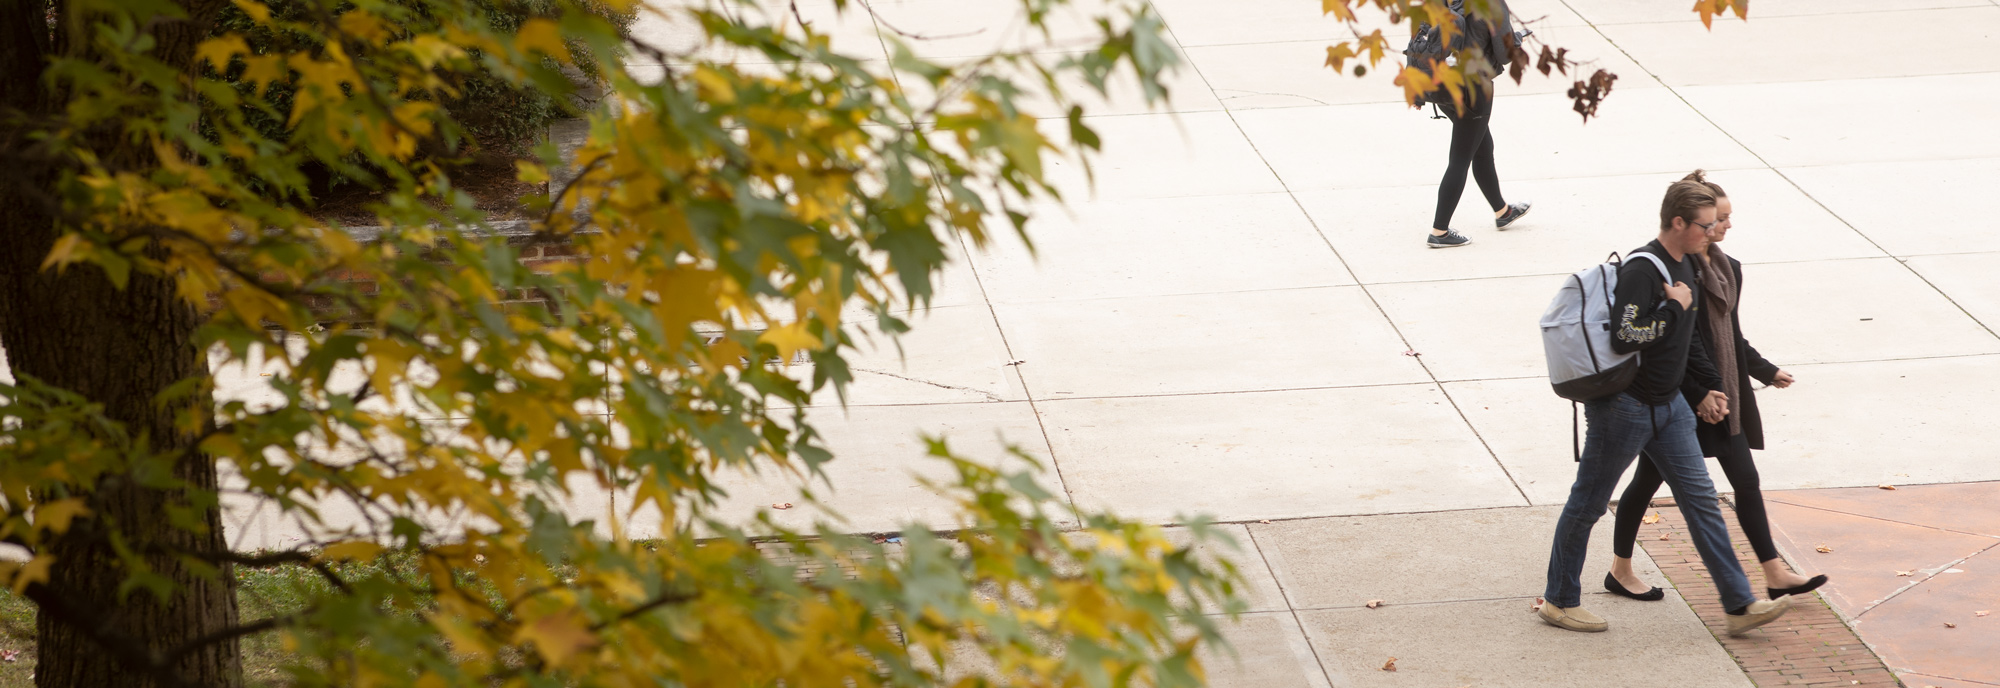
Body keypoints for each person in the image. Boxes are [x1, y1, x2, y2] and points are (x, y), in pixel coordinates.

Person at [1539, 177, 1789, 636]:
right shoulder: (1643, 269)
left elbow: (1688, 344)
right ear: (1678, 222)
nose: (1713, 232)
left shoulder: (1688, 266)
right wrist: (1673, 306)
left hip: (1671, 407)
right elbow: (1627, 334)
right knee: (1589, 502)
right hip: (1624, 409)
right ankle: (1559, 600)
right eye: (1705, 225)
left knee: (1702, 502)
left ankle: (1738, 604)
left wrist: (1707, 389)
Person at [1604, 171, 1827, 602]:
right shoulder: (1677, 272)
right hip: (1686, 396)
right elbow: (1676, 345)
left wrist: (1763, 370)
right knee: (1644, 484)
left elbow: (1730, 334)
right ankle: (1623, 569)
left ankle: (1774, 573)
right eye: (1718, 220)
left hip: (1725, 392)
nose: (1724, 227)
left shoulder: (1729, 270)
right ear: (1690, 223)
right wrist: (1700, 391)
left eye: (1723, 219)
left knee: (1742, 479)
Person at [1422, 0, 1531, 249]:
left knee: (1482, 146)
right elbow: (1504, 53)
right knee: (1460, 158)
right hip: (1474, 88)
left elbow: (1422, 42)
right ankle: (1439, 231)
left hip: (1441, 86)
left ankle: (1502, 211)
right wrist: (1516, 39)